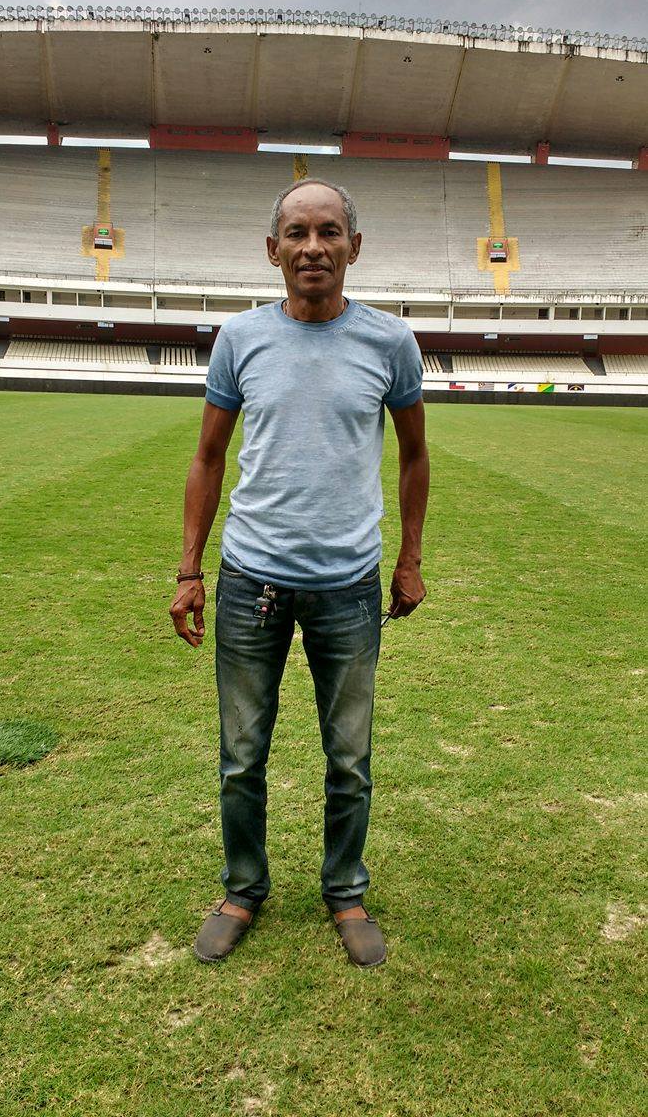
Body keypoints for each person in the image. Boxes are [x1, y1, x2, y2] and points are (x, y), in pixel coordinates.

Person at [169, 177, 429, 968]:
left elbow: (415, 456)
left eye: (328, 231)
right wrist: (189, 570)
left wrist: (409, 559)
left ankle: (345, 890)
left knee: (348, 758)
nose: (313, 246)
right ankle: (242, 888)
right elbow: (208, 457)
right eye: (297, 233)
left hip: (348, 587)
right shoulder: (240, 338)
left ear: (354, 246)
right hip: (252, 581)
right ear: (272, 249)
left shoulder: (390, 342)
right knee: (241, 756)